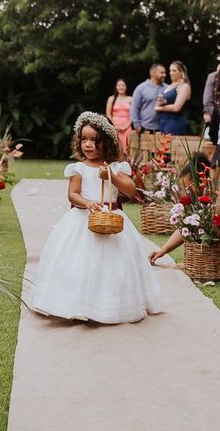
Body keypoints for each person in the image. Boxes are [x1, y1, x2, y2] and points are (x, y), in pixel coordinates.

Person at [29, 111, 163, 323]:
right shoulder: (78, 168)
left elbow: (130, 189)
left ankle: (111, 305)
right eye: (84, 139)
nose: (88, 145)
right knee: (77, 264)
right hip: (83, 219)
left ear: (107, 142)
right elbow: (72, 194)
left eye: (94, 140)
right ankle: (76, 303)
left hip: (112, 220)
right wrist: (87, 203)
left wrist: (110, 175)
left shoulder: (117, 167)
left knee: (115, 265)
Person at [148, 152, 220, 264]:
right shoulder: (206, 195)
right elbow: (188, 226)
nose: (187, 193)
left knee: (214, 256)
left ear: (201, 181)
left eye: (188, 188)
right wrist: (161, 251)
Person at [155, 60, 190, 135]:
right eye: (170, 70)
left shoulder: (184, 86)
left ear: (181, 72)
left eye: (174, 71)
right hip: (163, 121)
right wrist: (162, 102)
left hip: (175, 122)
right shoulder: (169, 86)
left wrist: (160, 108)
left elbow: (176, 108)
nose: (171, 73)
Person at [130, 63, 166, 134]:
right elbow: (135, 107)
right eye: (162, 73)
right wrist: (137, 125)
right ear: (153, 72)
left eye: (164, 73)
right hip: (144, 128)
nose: (164, 75)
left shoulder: (167, 88)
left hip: (163, 128)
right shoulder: (141, 88)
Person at [105, 78, 132, 152]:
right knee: (115, 145)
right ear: (116, 87)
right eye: (119, 85)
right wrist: (114, 126)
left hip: (127, 126)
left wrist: (126, 126)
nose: (121, 87)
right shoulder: (111, 98)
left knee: (128, 146)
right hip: (114, 126)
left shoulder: (130, 99)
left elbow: (133, 115)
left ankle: (127, 162)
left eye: (123, 85)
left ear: (126, 87)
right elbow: (108, 114)